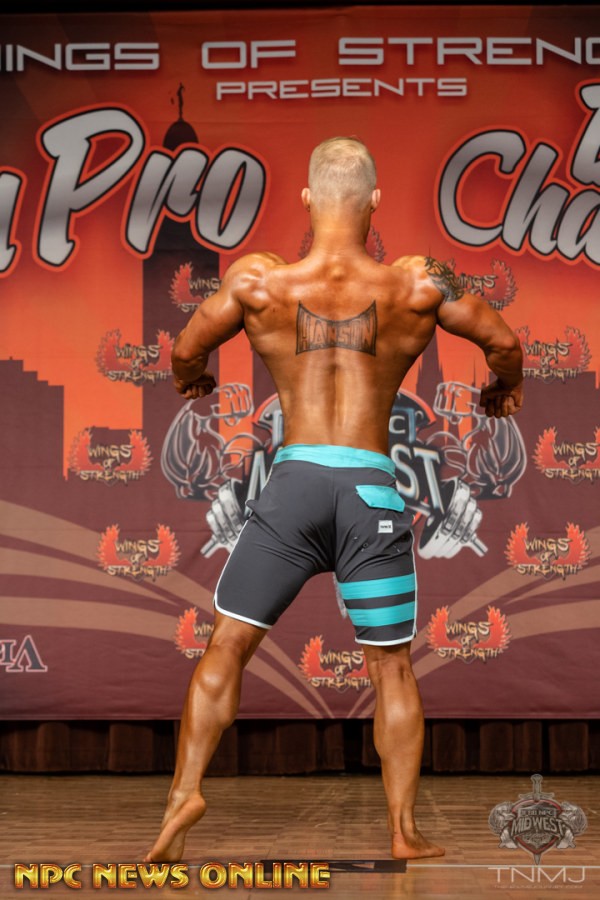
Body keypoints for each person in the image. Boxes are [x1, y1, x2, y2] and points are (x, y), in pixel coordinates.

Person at [145, 137, 523, 863]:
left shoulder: (260, 281)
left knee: (227, 645)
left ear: (307, 200)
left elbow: (186, 350)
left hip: (291, 491)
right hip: (371, 494)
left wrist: (192, 378)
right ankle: (403, 831)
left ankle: (184, 792)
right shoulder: (419, 283)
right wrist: (503, 388)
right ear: (375, 201)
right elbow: (504, 343)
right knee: (392, 668)